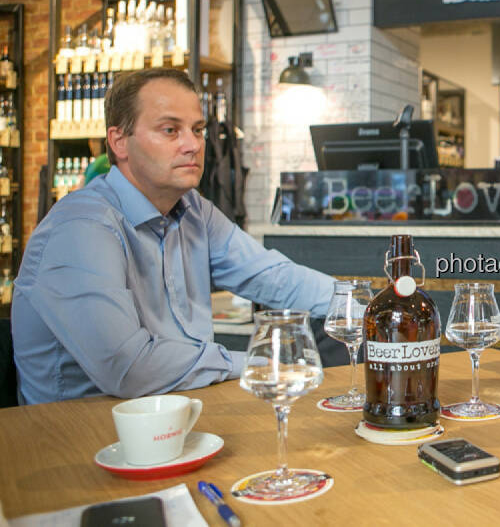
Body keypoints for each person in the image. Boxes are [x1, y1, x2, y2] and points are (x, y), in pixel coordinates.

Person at [13, 68, 337, 404]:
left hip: (172, 417)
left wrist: (366, 307)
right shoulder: (79, 227)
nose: (193, 145)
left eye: (197, 130)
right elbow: (128, 368)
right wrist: (253, 364)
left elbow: (273, 277)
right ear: (119, 142)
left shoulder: (193, 209)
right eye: (170, 130)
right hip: (75, 436)